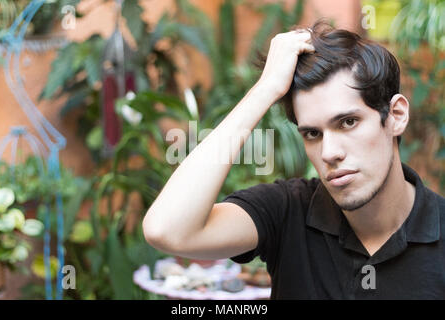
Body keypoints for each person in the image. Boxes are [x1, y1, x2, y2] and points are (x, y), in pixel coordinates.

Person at [142, 21, 445, 299]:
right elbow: (167, 230)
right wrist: (265, 90)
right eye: (313, 133)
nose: (329, 152)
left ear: (396, 116)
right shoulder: (287, 211)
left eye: (348, 122)